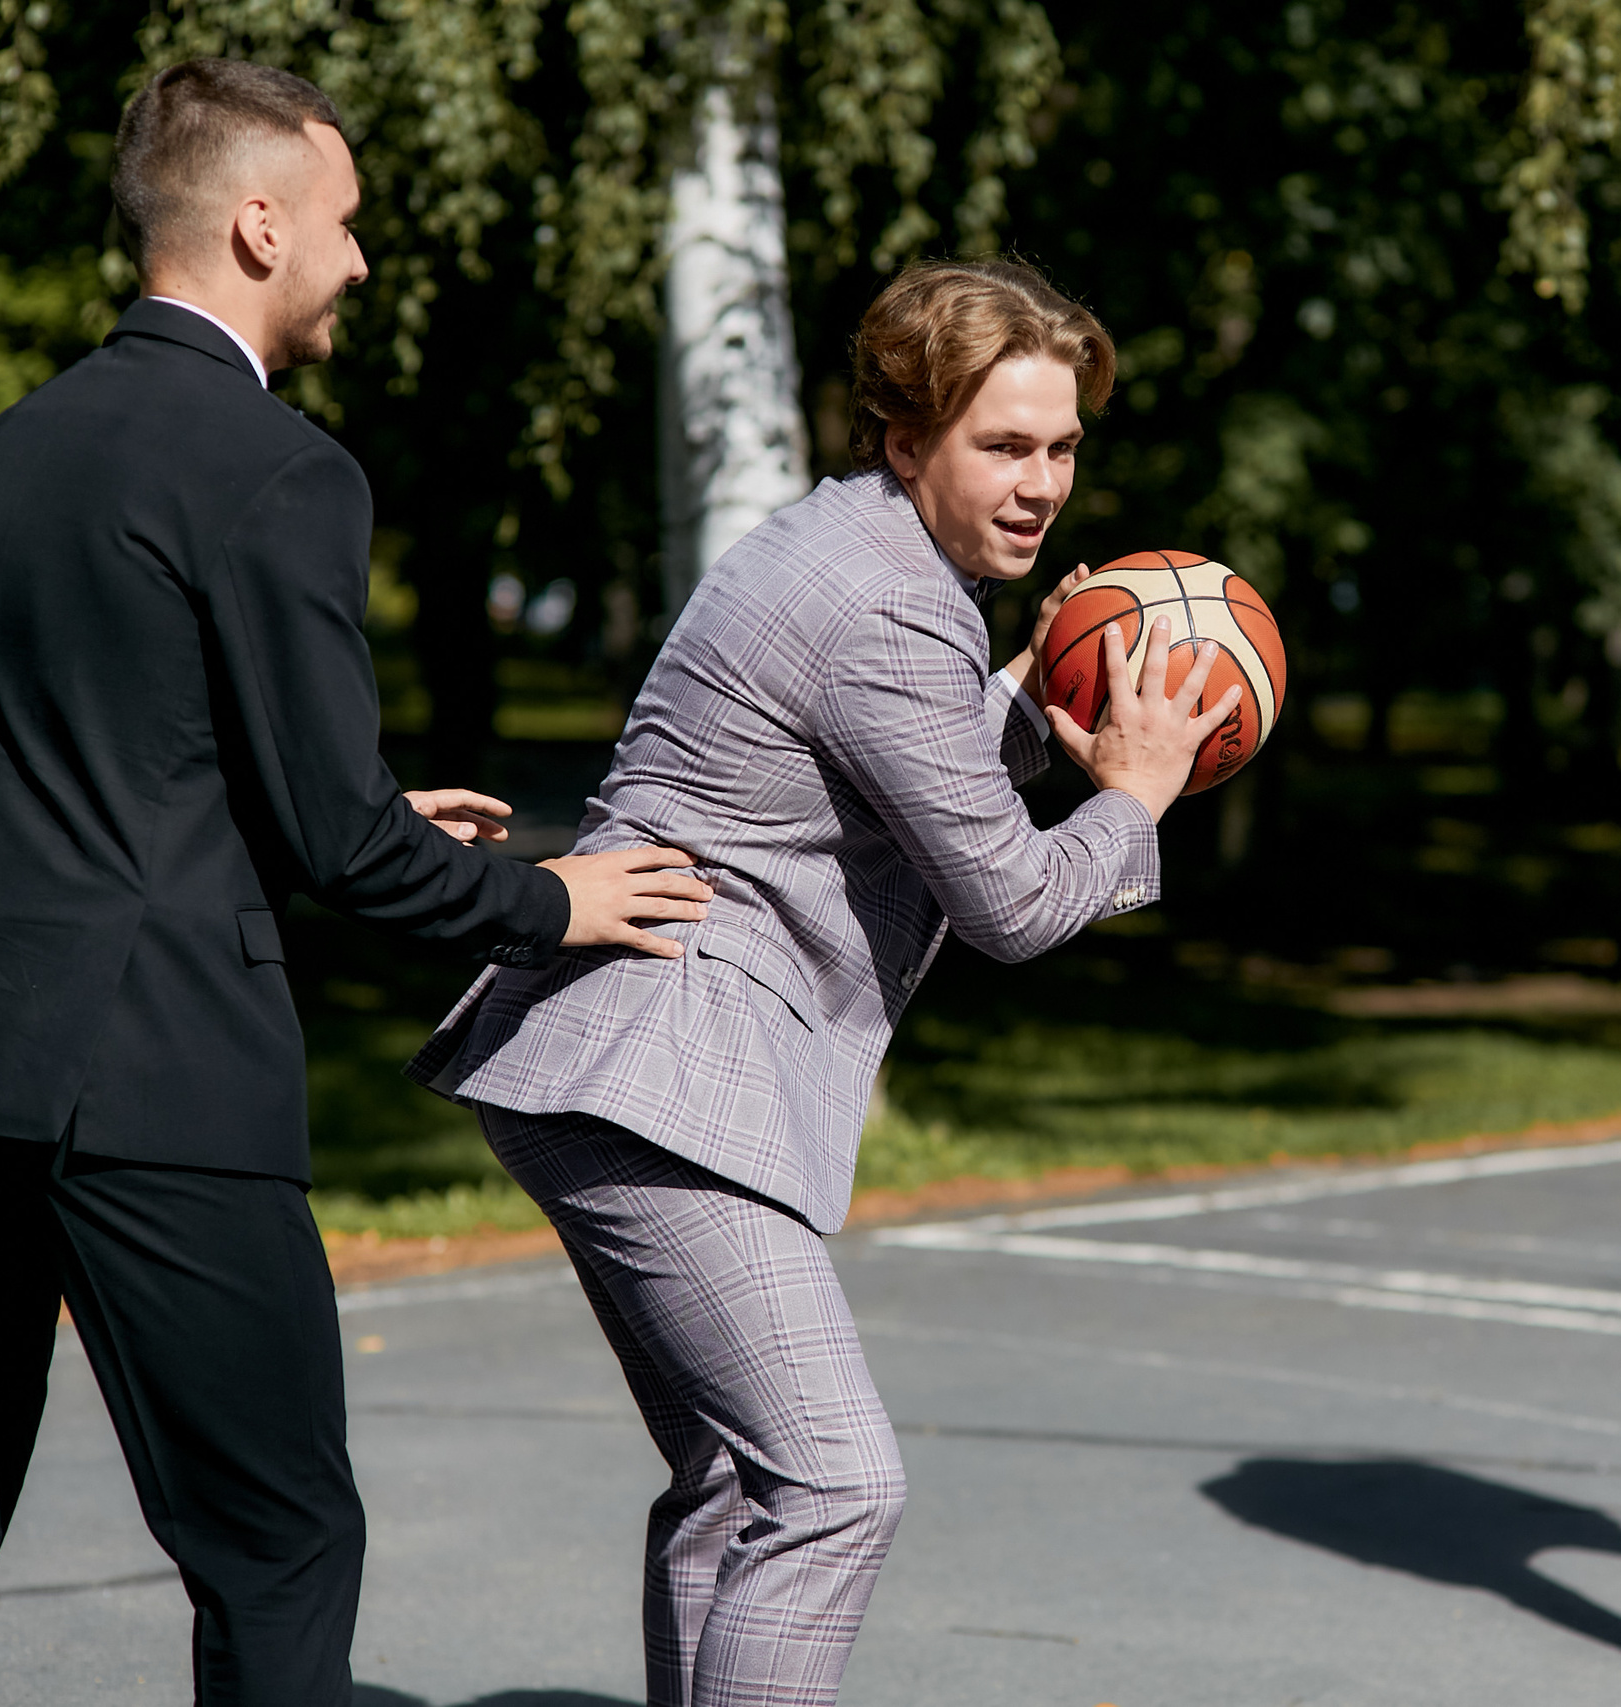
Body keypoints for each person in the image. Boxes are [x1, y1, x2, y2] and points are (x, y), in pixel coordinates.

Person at [0, 59, 708, 1707]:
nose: (359, 261)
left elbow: (103, 762)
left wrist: (331, 811)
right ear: (257, 225)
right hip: (156, 1082)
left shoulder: (12, 447)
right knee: (279, 1546)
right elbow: (344, 846)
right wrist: (555, 904)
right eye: (346, 224)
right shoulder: (284, 467)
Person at [409, 257, 1234, 1707]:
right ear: (906, 439)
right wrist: (1136, 794)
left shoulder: (861, 552)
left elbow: (889, 765)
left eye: (1061, 449)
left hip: (606, 1049)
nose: (1043, 487)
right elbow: (1015, 904)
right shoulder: (891, 605)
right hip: (652, 1072)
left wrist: (1027, 697)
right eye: (1004, 446)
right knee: (837, 1486)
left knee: (733, 1480)